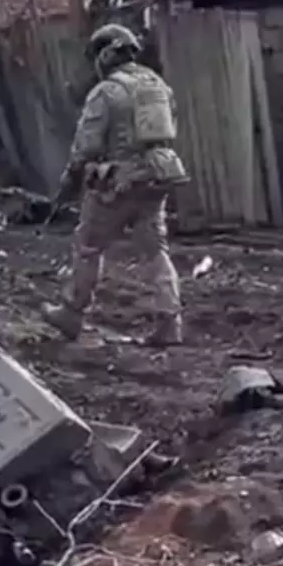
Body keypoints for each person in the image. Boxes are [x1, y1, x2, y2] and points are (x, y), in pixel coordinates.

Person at [44, 23, 188, 345]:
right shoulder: (158, 86)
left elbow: (86, 147)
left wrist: (69, 181)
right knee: (155, 250)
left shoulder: (107, 92)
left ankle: (71, 312)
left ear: (107, 55)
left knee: (89, 245)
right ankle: (169, 322)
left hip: (119, 182)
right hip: (158, 176)